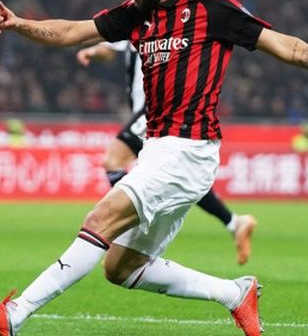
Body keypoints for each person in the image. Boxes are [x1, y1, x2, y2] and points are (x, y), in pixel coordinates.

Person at [0, 0, 308, 336]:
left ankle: (15, 313)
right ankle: (235, 292)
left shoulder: (212, 9)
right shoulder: (137, 13)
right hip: (159, 148)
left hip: (188, 151)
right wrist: (19, 23)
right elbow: (71, 32)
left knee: (100, 220)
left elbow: (285, 46)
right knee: (120, 267)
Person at [77, 40, 256, 265]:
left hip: (156, 108)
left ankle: (131, 223)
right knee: (184, 178)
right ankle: (234, 223)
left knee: (113, 160)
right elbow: (112, 49)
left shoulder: (162, 21)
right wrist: (92, 51)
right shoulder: (135, 19)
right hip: (153, 112)